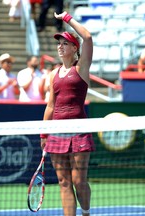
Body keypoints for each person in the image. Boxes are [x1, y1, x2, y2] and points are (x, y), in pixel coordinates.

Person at [40, 11, 95, 216]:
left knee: (79, 180)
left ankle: (86, 212)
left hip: (79, 130)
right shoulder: (53, 74)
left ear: (75, 48)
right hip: (56, 131)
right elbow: (50, 107)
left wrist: (67, 19)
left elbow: (87, 37)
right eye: (59, 43)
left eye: (65, 43)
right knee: (64, 182)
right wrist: (44, 133)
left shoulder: (81, 68)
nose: (60, 46)